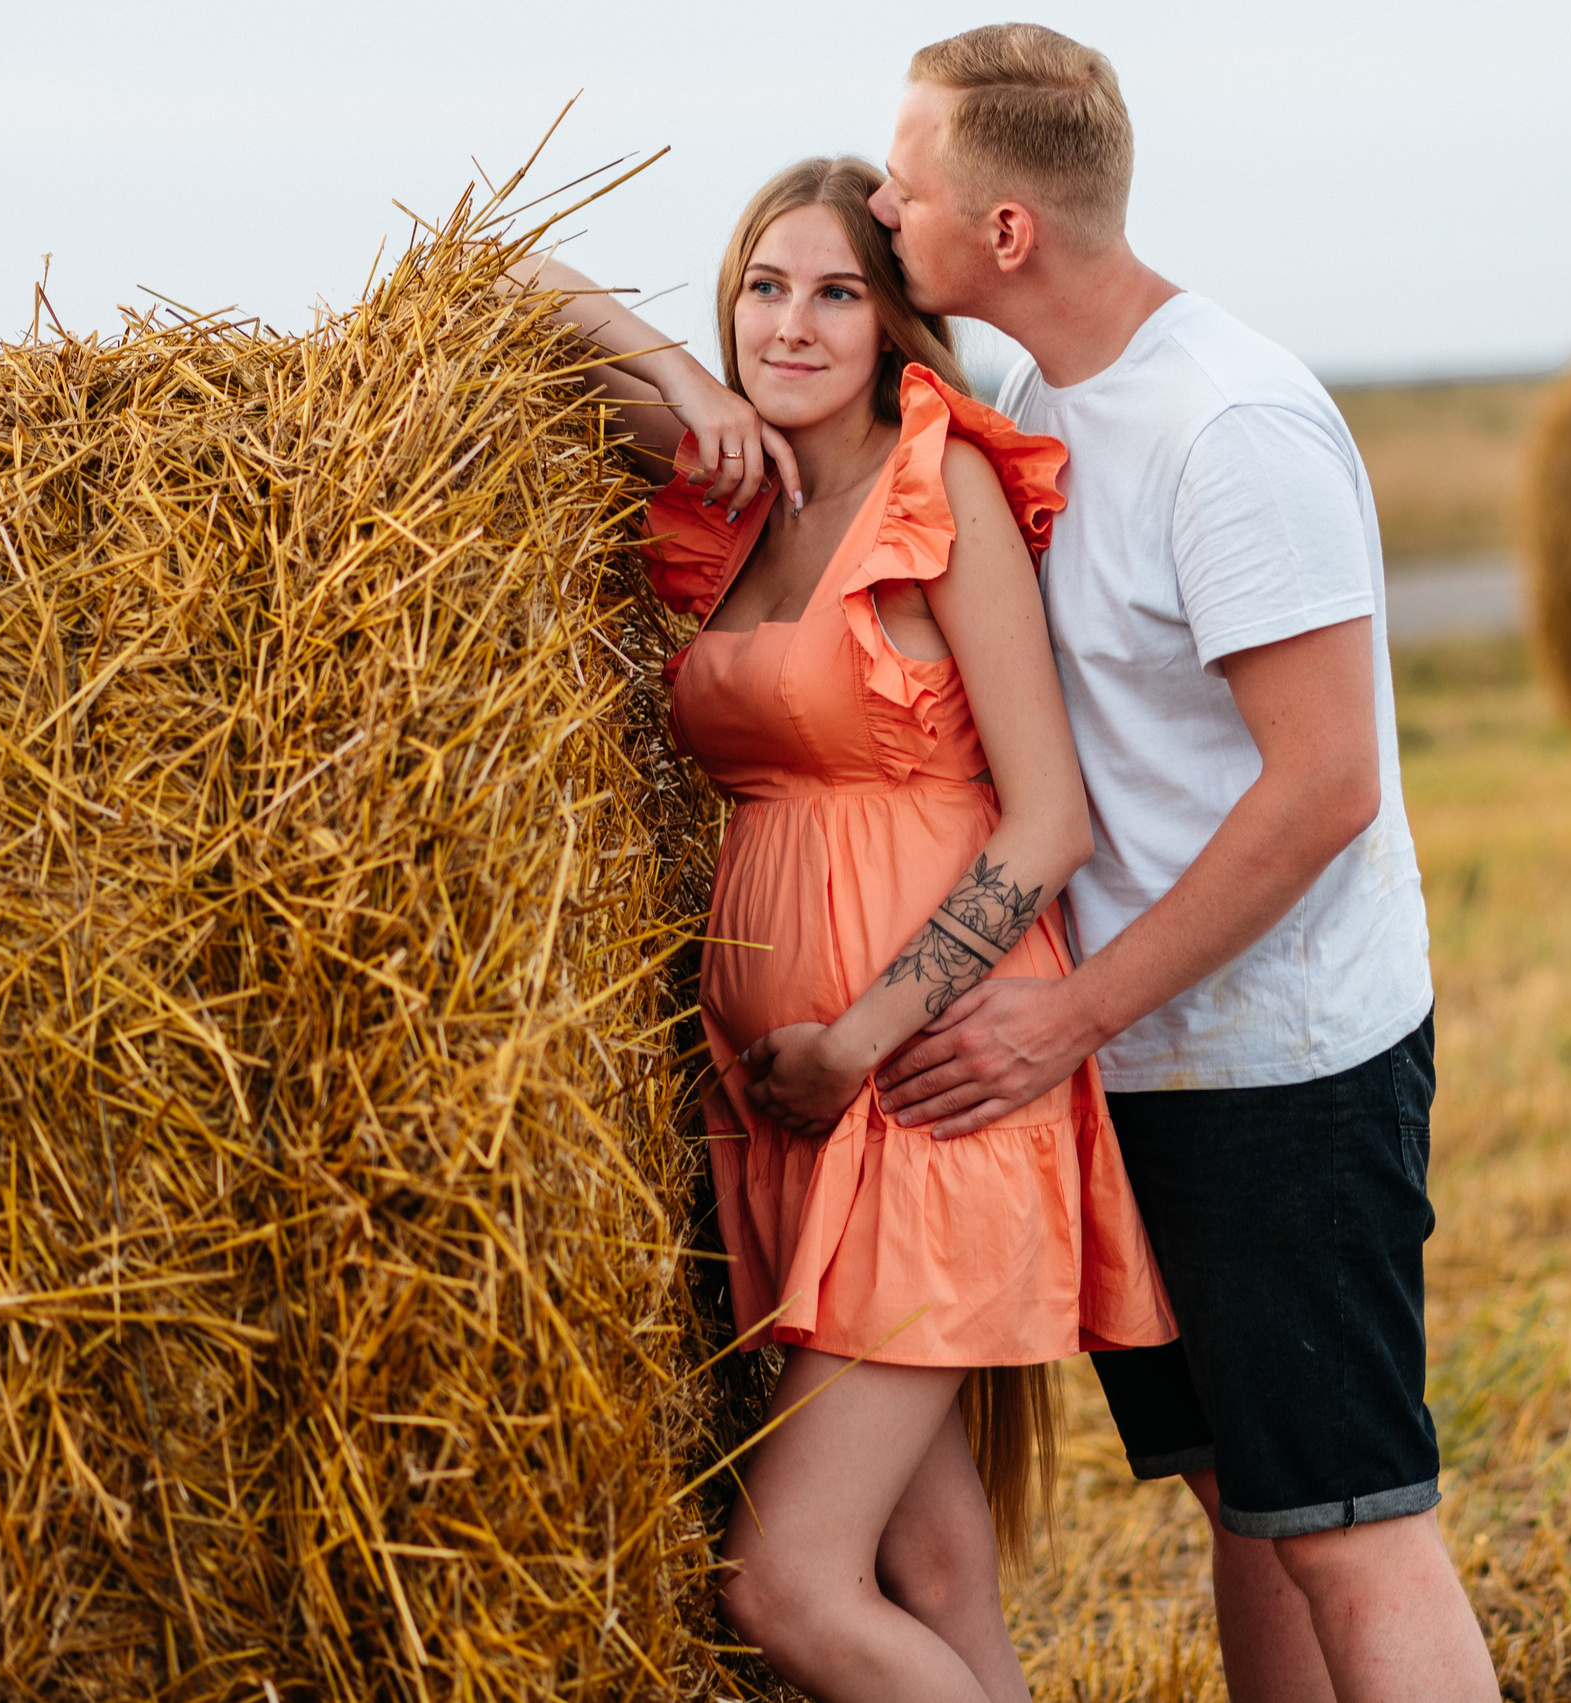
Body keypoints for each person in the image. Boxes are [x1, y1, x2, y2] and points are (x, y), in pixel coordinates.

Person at [858, 24, 1502, 1703]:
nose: (877, 200)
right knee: (1250, 1499)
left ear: (1007, 232)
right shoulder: (1031, 396)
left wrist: (1065, 1025)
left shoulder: (1232, 430)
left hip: (1278, 1065)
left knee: (1353, 1522)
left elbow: (1324, 790)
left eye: (905, 182)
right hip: (1141, 1057)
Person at [508, 157, 1176, 1703]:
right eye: (763, 286)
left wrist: (862, 1041)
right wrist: (690, 383)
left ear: (893, 327)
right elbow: (492, 284)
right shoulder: (732, 492)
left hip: (916, 1082)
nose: (792, 327)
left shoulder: (939, 492)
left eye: (834, 295)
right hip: (790, 1097)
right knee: (928, 1572)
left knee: (786, 1583)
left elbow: (1047, 824)